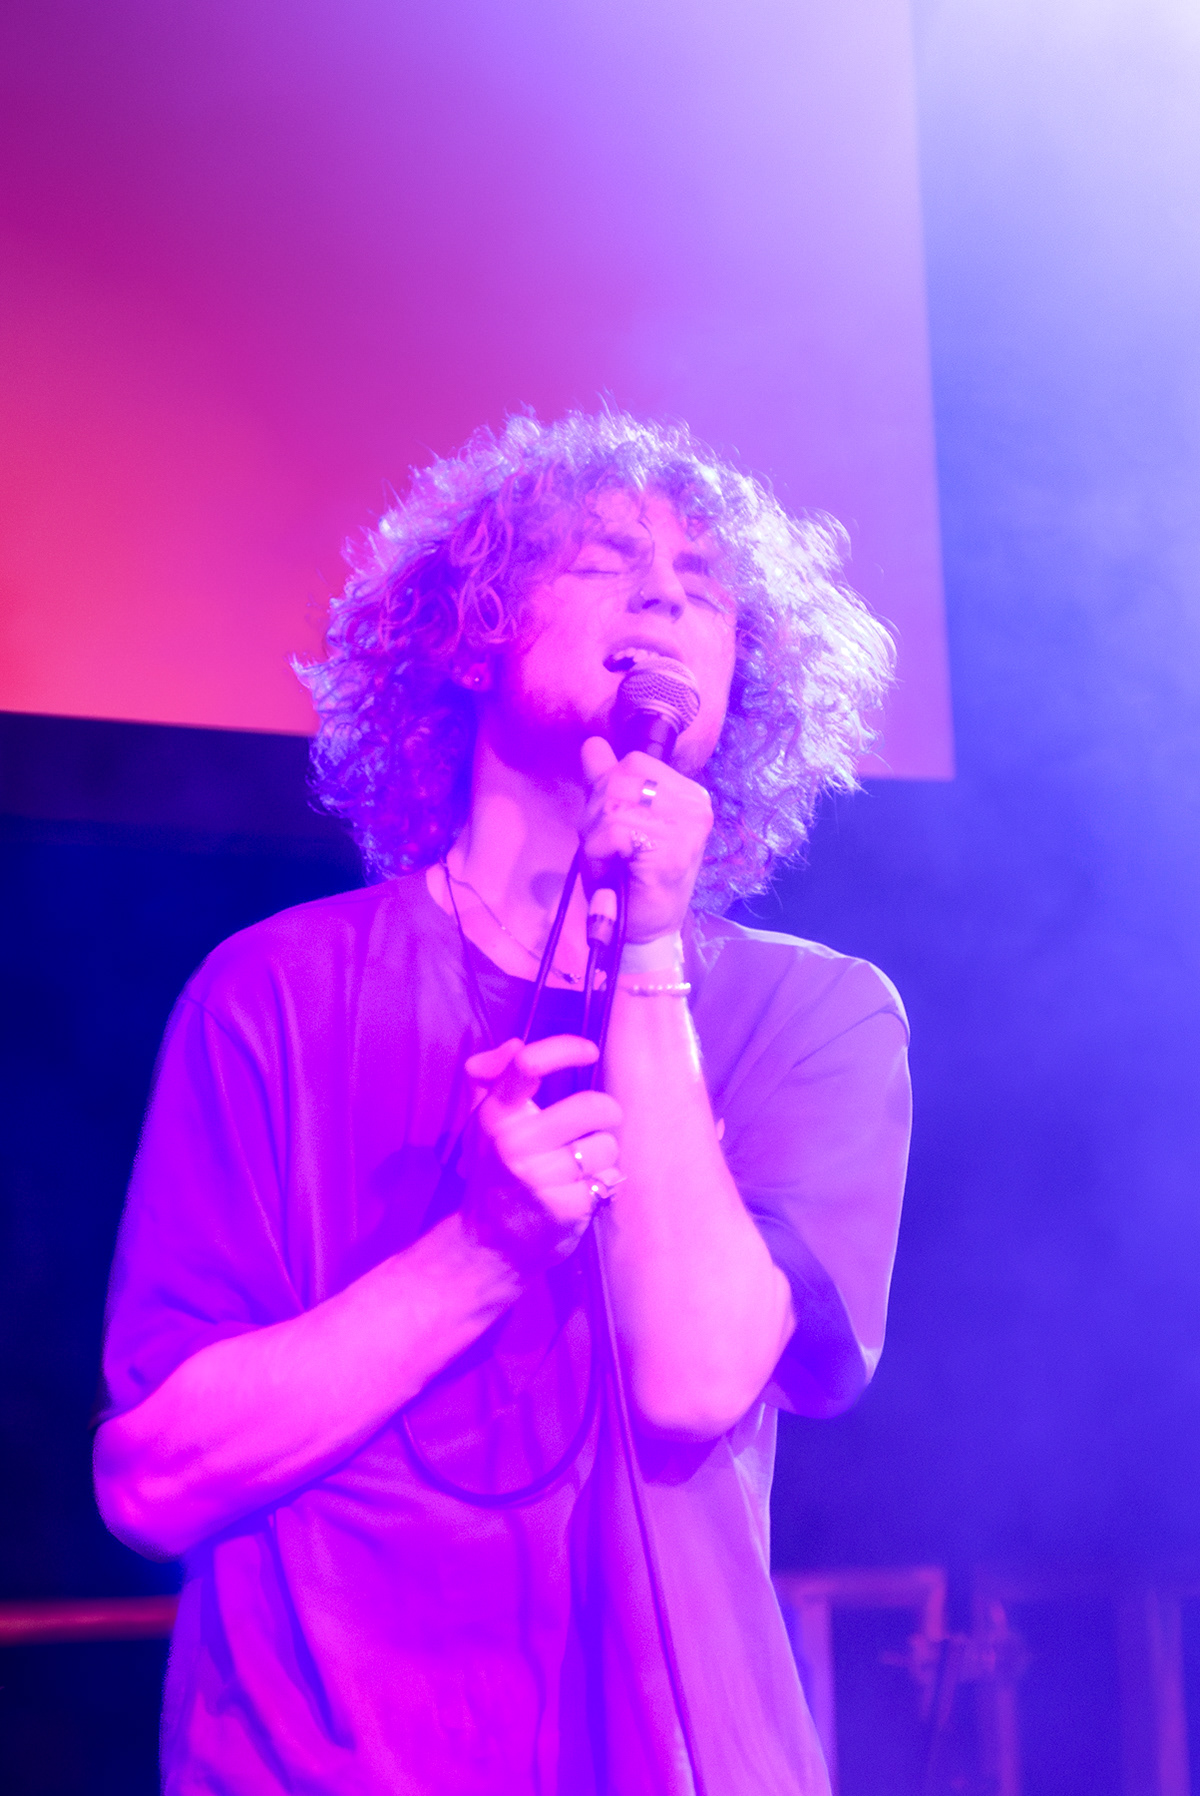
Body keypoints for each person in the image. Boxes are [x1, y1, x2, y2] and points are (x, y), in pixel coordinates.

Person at [94, 410, 911, 1795]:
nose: (667, 596)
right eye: (607, 559)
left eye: (705, 585)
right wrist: (481, 1253)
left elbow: (697, 1380)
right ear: (473, 635)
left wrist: (647, 952)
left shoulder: (817, 1013)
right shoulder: (273, 994)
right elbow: (153, 1481)